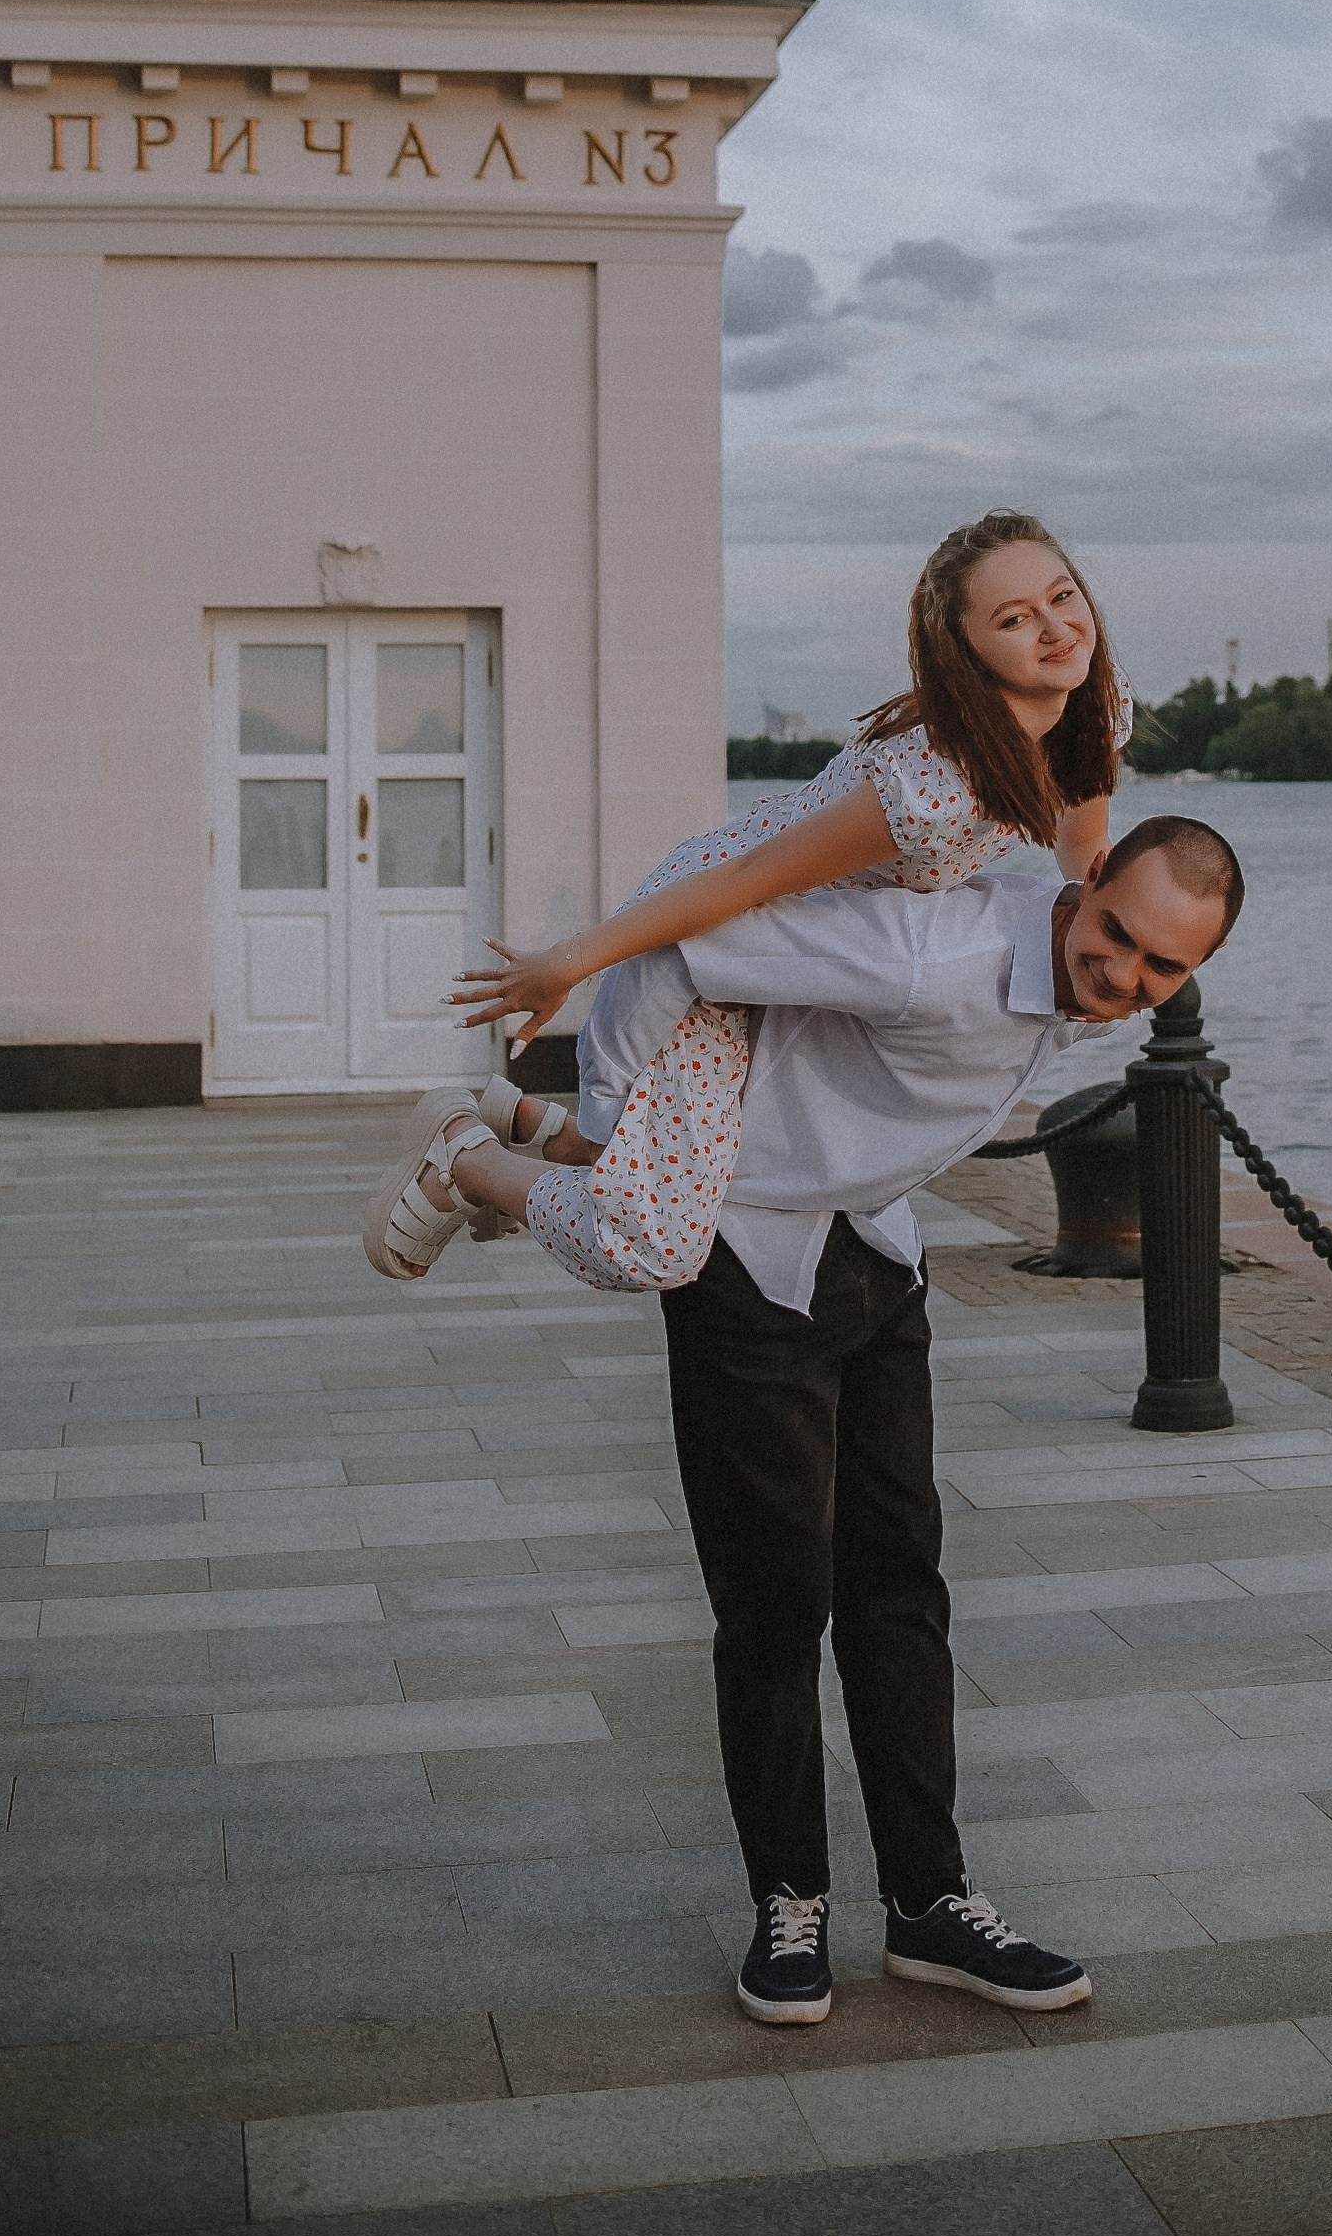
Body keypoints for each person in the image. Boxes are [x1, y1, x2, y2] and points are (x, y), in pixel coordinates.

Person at [363, 810, 1245, 2029]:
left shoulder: (1054, 968)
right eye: (1118, 938)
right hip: (743, 1256)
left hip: (872, 1251)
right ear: (1083, 887)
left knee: (900, 1584)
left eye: (1163, 969)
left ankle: (930, 1904)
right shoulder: (926, 953)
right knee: (777, 1599)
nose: (1126, 979)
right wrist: (615, 1128)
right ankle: (789, 1901)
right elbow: (697, 936)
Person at [372, 512, 1131, 1291]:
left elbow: (1082, 833)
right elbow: (740, 881)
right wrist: (569, 963)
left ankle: (551, 1131)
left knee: (708, 1152)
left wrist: (1118, 923)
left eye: (1061, 595)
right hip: (723, 940)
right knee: (656, 1243)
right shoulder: (934, 789)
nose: (1055, 628)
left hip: (817, 955)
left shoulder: (1095, 705)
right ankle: (470, 1159)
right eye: (1014, 618)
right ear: (966, 649)